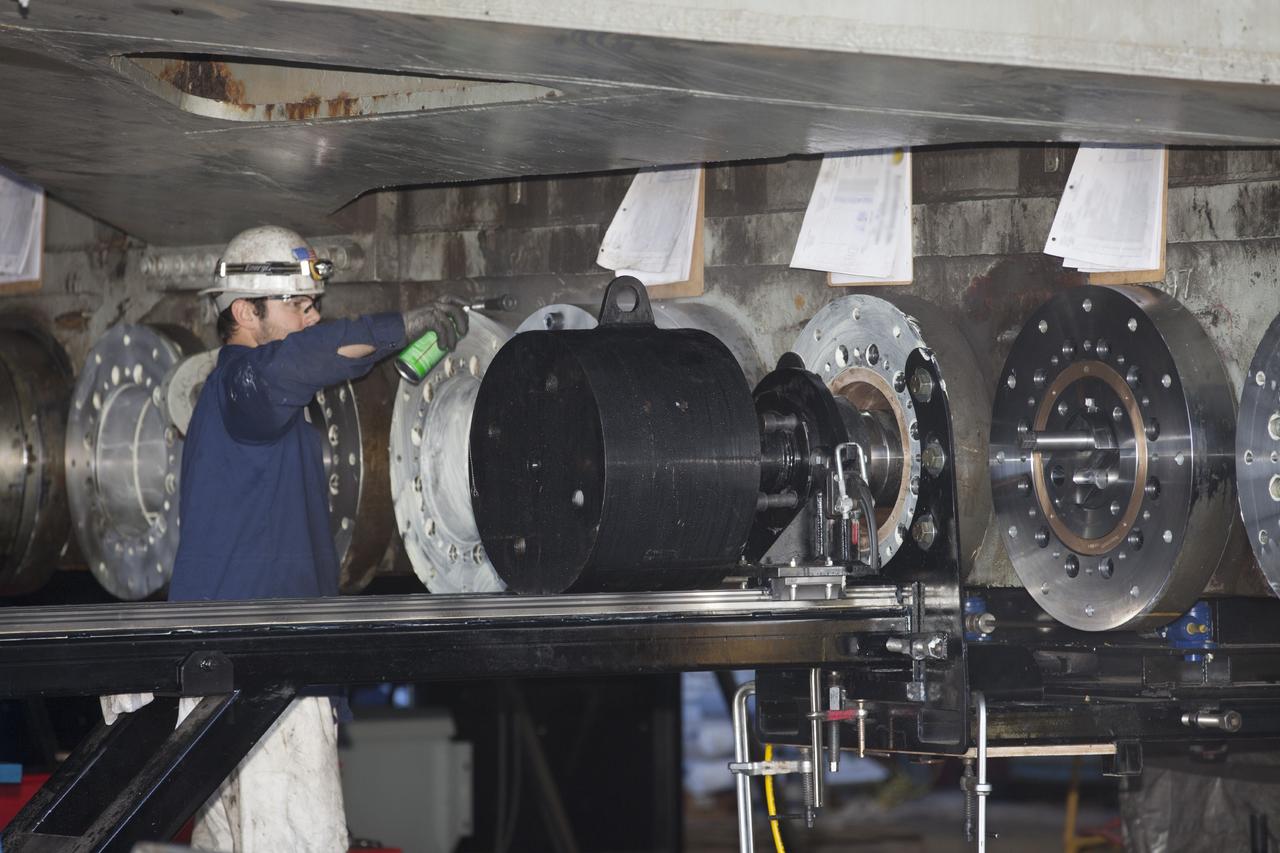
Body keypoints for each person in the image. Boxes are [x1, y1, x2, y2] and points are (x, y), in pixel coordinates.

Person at [164, 224, 466, 852]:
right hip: (264, 689)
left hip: (232, 683)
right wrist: (398, 325)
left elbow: (323, 360)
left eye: (314, 306)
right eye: (297, 306)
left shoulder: (255, 402)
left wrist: (408, 342)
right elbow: (309, 358)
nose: (311, 317)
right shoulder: (242, 389)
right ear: (244, 312)